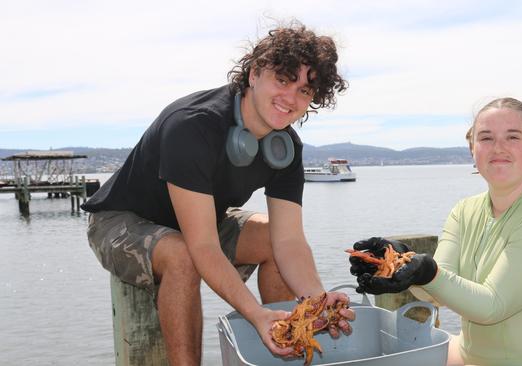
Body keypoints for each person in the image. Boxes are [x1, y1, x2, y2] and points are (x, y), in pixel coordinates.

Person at [82, 21, 354, 365]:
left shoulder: (286, 149)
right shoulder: (192, 125)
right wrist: (255, 313)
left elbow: (289, 242)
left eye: (305, 90)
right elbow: (203, 247)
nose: (291, 98)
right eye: (283, 80)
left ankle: (288, 345)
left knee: (270, 235)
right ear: (254, 74)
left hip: (202, 221)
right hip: (121, 221)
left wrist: (317, 299)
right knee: (181, 256)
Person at [350, 98, 522, 366]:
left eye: (513, 137)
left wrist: (428, 271)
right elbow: (435, 292)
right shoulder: (465, 211)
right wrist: (401, 262)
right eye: (486, 138)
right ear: (472, 149)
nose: (498, 147)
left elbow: (491, 306)